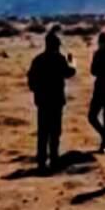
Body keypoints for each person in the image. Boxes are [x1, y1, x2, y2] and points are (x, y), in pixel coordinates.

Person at [27, 31, 76, 172]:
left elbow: (31, 81)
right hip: (56, 101)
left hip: (43, 102)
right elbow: (69, 73)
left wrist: (38, 92)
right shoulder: (59, 59)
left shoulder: (38, 60)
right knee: (55, 132)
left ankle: (41, 162)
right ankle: (54, 160)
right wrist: (72, 62)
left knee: (43, 132)